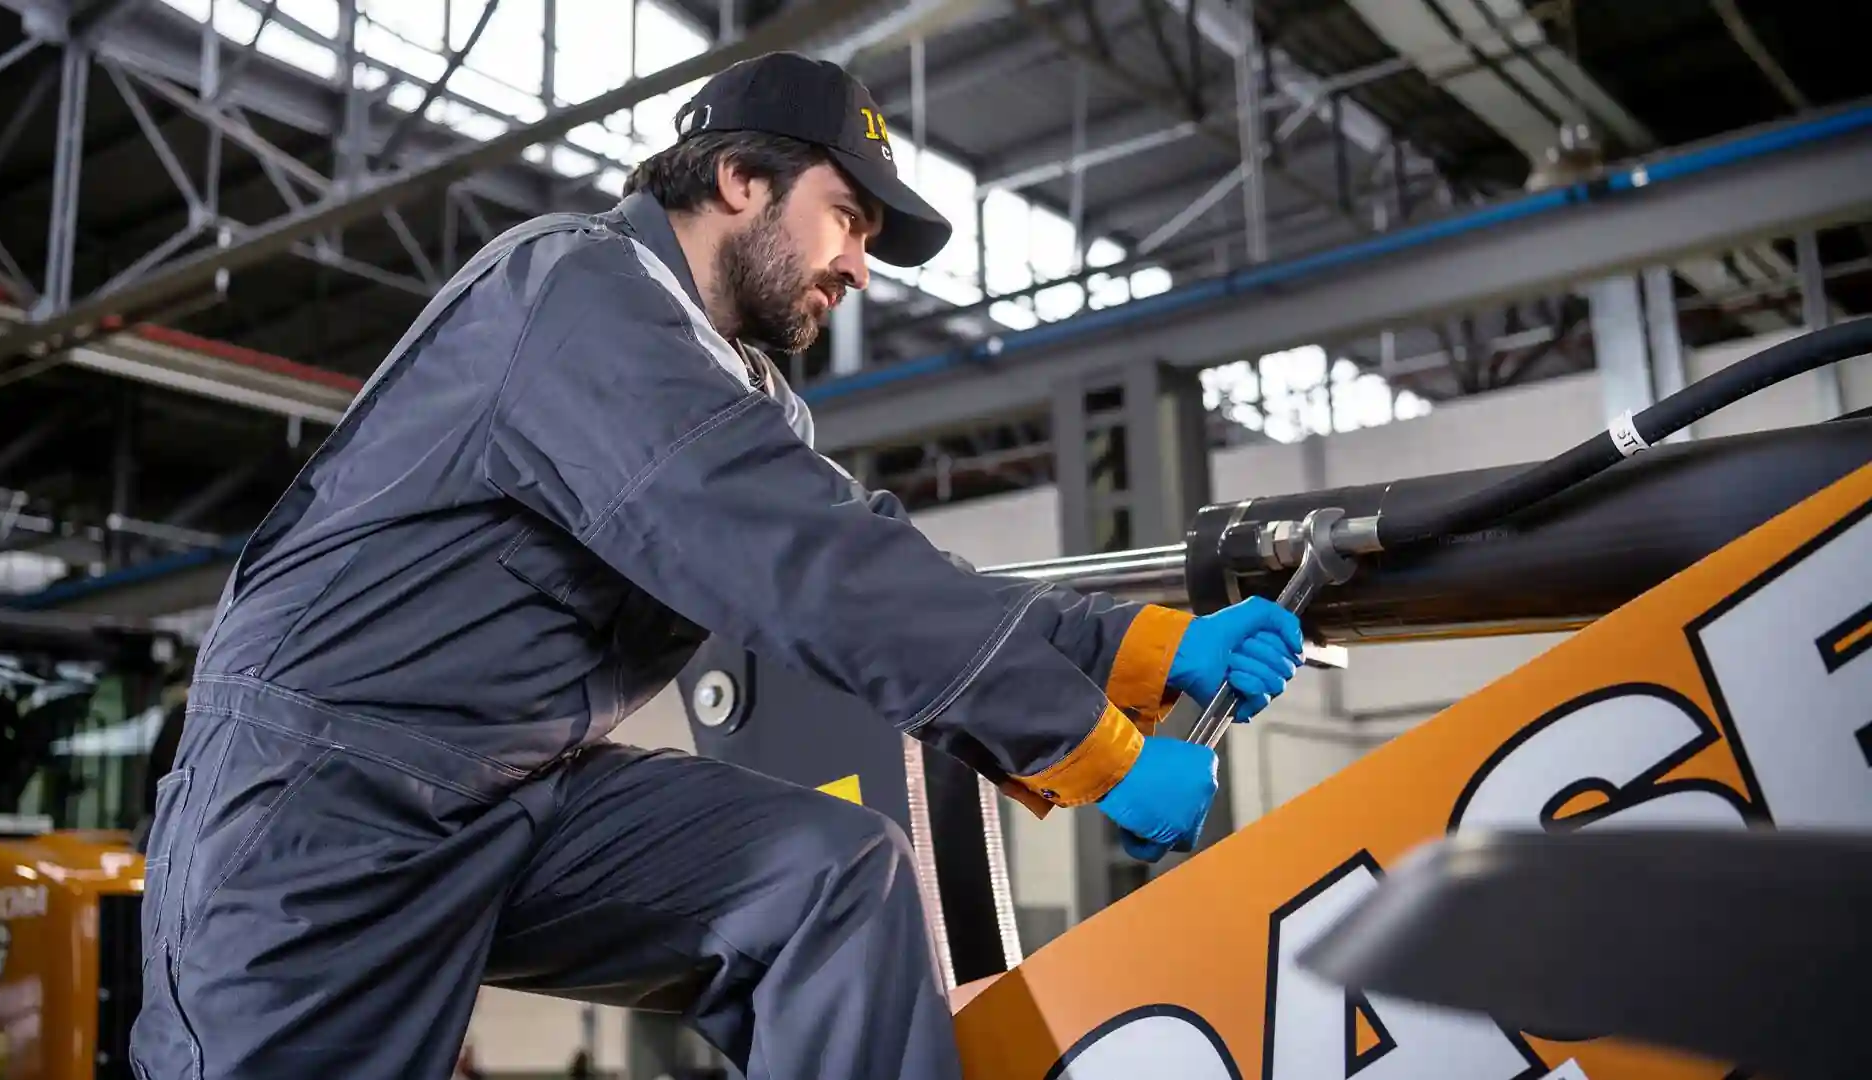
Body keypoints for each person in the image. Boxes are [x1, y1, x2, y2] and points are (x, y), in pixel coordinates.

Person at [129, 50, 1303, 1080]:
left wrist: (1143, 649)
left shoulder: (748, 398)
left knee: (831, 882)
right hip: (322, 801)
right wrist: (1095, 753)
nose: (859, 266)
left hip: (516, 792)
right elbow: (810, 570)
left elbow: (876, 562)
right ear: (741, 179)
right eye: (847, 216)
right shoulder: (574, 292)